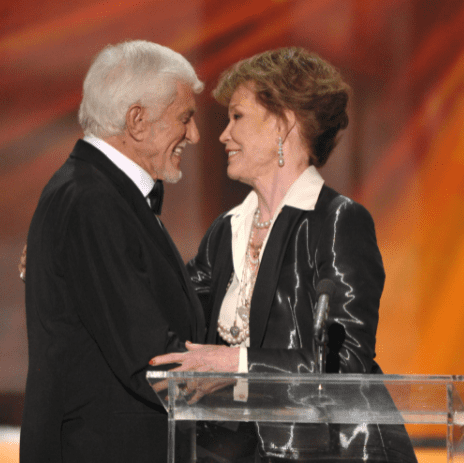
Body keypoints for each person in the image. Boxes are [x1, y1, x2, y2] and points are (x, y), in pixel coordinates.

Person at [150, 47, 417, 462]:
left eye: (236, 116)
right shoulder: (227, 231)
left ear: (282, 124)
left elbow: (344, 366)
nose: (222, 134)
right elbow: (173, 312)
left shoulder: (338, 222)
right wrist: (73, 260)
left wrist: (235, 362)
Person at [21, 40, 206, 463]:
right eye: (185, 117)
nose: (194, 135)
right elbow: (153, 359)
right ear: (137, 121)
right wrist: (249, 380)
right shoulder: (92, 201)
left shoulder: (98, 193)